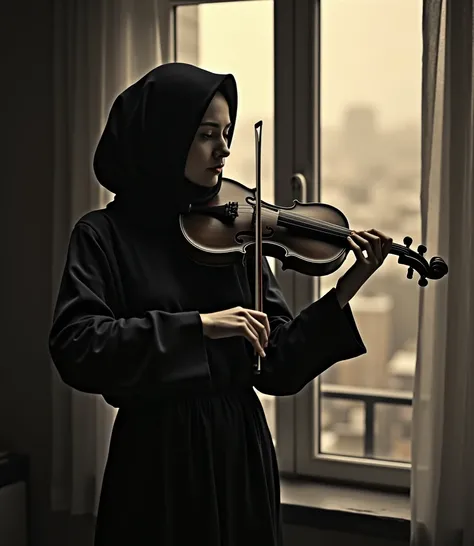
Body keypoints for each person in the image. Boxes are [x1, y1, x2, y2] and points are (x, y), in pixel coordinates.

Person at [49, 62, 392, 546]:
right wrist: (201, 326)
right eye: (208, 133)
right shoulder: (103, 235)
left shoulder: (233, 234)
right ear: (165, 136)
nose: (225, 148)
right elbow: (77, 345)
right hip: (155, 461)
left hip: (239, 452)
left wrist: (348, 286)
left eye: (228, 132)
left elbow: (277, 366)